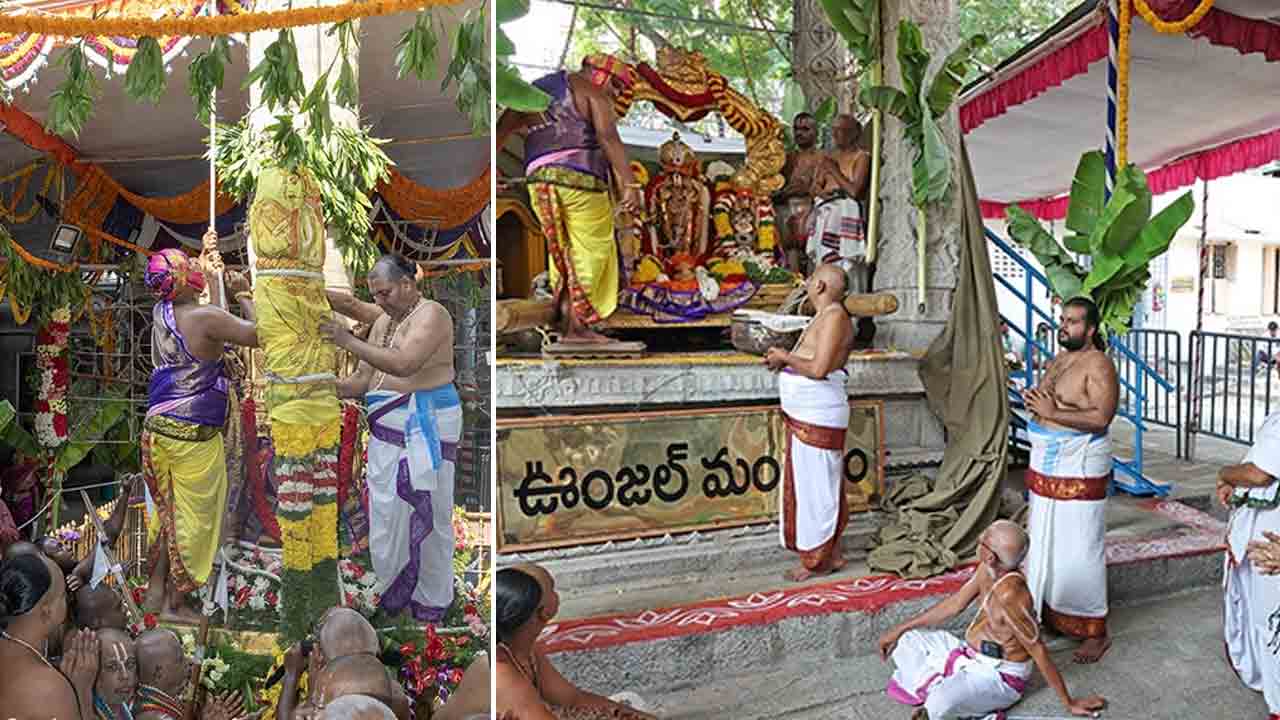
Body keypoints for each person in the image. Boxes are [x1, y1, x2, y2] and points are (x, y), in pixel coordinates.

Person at [322, 255, 460, 624]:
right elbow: (363, 382)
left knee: (429, 518)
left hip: (425, 424)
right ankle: (393, 601)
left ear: (407, 284)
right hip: (386, 431)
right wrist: (321, 387)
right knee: (386, 518)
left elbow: (403, 364)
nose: (379, 301)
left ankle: (429, 608)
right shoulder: (385, 321)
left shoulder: (432, 314)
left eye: (384, 293)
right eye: (375, 295)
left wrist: (346, 340)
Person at [878, 521, 1107, 719]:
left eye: (982, 541)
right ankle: (951, 686)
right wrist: (899, 629)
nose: (979, 542)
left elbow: (1037, 649)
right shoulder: (986, 569)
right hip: (969, 655)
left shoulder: (1012, 595)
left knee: (939, 703)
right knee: (908, 640)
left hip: (998, 676)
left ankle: (950, 691)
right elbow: (954, 605)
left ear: (989, 555)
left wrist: (1069, 702)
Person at [140, 248, 259, 624]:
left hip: (158, 432)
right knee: (194, 520)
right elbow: (259, 335)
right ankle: (178, 605)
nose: (196, 269)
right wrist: (242, 292)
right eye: (189, 266)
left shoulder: (163, 312)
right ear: (179, 280)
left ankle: (155, 594)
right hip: (193, 438)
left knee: (166, 515)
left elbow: (207, 341)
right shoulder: (206, 317)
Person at [495, 55, 643, 345]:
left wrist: (490, 173)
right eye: (617, 86)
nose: (615, 94)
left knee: (561, 251)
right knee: (591, 251)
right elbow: (608, 137)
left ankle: (566, 322)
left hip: (539, 184)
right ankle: (579, 328)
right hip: (582, 181)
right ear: (600, 75)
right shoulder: (592, 93)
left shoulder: (533, 90)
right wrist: (630, 182)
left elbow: (500, 132)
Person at [1020, 296, 1118, 664]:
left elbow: (1101, 417)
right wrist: (1035, 402)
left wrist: (1053, 411)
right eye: (1063, 319)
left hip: (1079, 462)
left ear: (1090, 329)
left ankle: (1095, 630)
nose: (1065, 326)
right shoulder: (1060, 359)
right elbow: (1050, 404)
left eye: (1073, 321)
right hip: (1049, 460)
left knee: (1080, 544)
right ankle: (1054, 612)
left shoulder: (1099, 364)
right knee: (1046, 539)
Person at [764, 265, 853, 582]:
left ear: (820, 285)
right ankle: (834, 553)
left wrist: (784, 358)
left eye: (811, 277)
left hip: (818, 413)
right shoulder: (824, 316)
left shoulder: (834, 317)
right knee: (819, 482)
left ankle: (818, 561)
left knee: (817, 487)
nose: (806, 282)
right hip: (808, 414)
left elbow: (818, 369)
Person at [496, 565, 656, 720]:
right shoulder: (502, 674)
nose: (557, 594)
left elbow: (573, 699)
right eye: (552, 588)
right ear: (544, 611)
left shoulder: (525, 650)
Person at [1218, 408, 1280, 719]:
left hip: (1272, 537)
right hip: (1265, 539)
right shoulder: (1276, 416)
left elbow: (1259, 474)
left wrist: (1225, 473)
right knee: (1264, 620)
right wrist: (1236, 480)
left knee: (1272, 623)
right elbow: (1256, 463)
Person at [0, 552, 100, 719]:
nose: (68, 600)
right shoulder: (49, 689)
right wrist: (82, 692)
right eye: (63, 595)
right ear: (48, 611)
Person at [277, 607, 410, 720]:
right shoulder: (396, 695)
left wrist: (292, 675)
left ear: (321, 656)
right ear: (377, 649)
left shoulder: (327, 688)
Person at [805, 114, 870, 278]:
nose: (835, 134)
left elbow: (854, 192)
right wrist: (825, 195)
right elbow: (814, 188)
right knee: (824, 264)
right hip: (825, 215)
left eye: (841, 130)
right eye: (833, 130)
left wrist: (834, 170)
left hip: (846, 213)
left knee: (846, 267)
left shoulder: (861, 157)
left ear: (854, 133)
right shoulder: (827, 158)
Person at [133, 627, 244, 720]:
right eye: (180, 659)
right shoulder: (154, 716)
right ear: (159, 673)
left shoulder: (158, 699)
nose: (189, 661)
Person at [778, 112, 823, 272]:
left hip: (814, 208)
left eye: (805, 129)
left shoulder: (823, 158)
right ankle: (792, 281)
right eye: (796, 129)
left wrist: (806, 190)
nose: (799, 133)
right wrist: (787, 192)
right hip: (787, 210)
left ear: (815, 132)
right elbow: (777, 189)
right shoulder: (786, 158)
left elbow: (825, 190)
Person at [92, 627, 137, 719]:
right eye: (112, 667)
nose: (125, 676)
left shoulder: (124, 708)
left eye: (130, 664)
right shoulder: (85, 713)